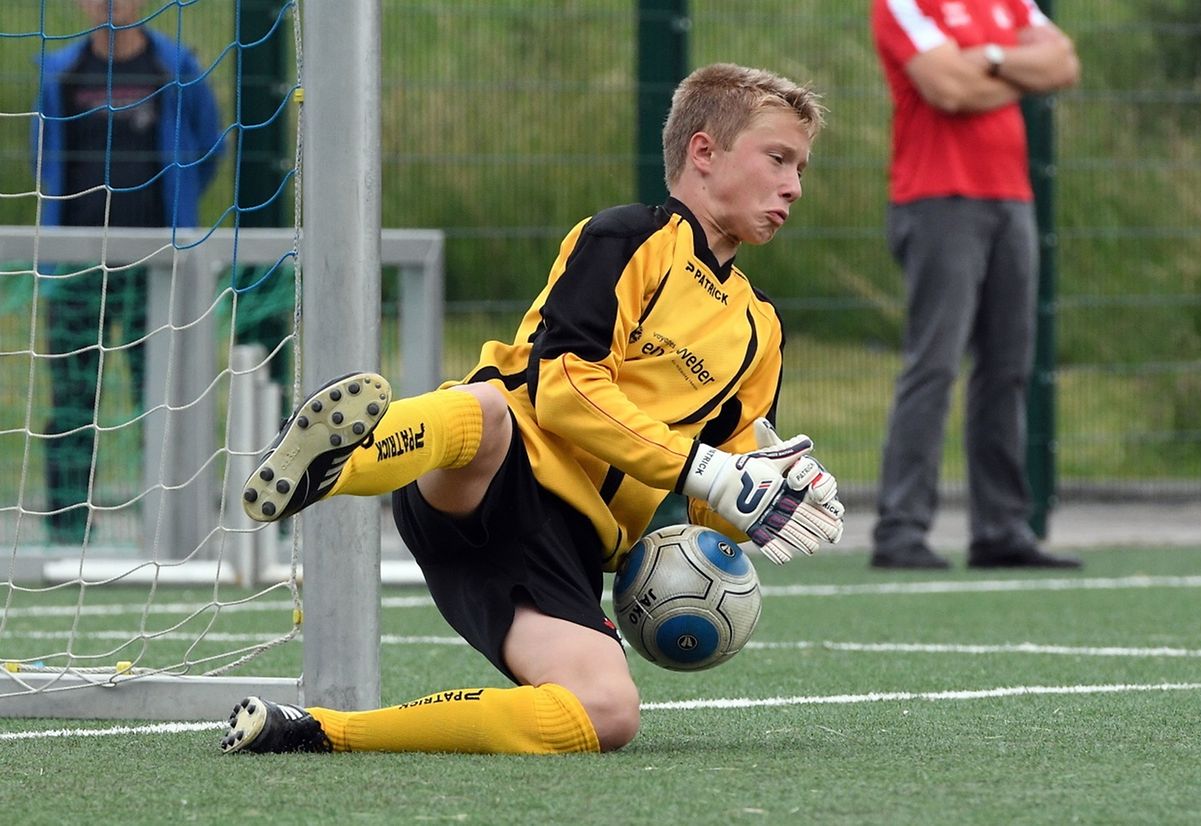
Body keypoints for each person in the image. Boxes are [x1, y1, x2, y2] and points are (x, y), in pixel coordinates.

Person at [220, 63, 845, 756]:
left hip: (566, 549)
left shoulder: (760, 332)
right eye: (778, 158)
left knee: (610, 712)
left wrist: (773, 494)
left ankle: (317, 733)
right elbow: (563, 390)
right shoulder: (625, 239)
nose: (793, 185)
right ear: (704, 152)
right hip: (494, 466)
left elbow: (714, 502)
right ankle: (332, 466)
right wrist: (704, 469)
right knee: (488, 409)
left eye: (801, 168)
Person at [869, 0, 1082, 570]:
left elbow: (1063, 64)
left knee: (1009, 367)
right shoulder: (903, 5)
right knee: (934, 365)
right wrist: (1019, 72)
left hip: (1010, 200)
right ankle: (900, 529)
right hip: (938, 201)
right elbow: (948, 90)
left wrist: (985, 58)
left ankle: (1001, 529)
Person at [32, 0, 222, 543]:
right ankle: (66, 528)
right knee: (71, 396)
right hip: (78, 264)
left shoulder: (176, 68)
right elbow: (42, 157)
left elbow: (208, 147)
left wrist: (177, 210)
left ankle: (167, 524)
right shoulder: (62, 72)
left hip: (156, 265)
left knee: (159, 393)